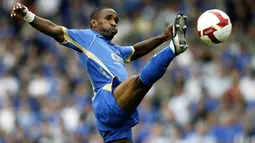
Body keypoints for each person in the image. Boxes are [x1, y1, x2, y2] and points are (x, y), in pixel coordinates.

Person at [11, 3, 188, 143]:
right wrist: (28, 15)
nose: (114, 22)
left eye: (116, 20)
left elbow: (136, 50)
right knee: (138, 82)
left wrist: (162, 37)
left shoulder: (115, 49)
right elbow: (54, 29)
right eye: (109, 18)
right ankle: (173, 49)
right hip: (107, 99)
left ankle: (170, 45)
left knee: (137, 83)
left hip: (118, 117)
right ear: (94, 23)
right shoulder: (86, 37)